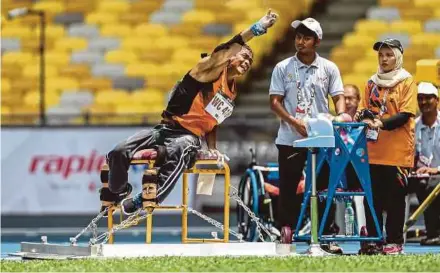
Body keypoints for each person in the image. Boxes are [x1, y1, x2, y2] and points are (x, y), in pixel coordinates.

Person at [100, 10, 279, 215]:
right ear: (230, 57)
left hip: (189, 137)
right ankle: (120, 190)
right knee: (119, 151)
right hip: (164, 129)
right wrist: (258, 27)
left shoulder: (231, 92)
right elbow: (227, 47)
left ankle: (148, 196)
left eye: (251, 61)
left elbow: (213, 121)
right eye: (245, 57)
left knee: (180, 148)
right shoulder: (206, 69)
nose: (247, 63)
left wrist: (212, 148)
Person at [269, 17, 346, 253]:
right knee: (289, 186)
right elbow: (274, 102)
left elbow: (338, 97)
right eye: (298, 37)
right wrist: (294, 122)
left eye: (306, 37)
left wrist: (341, 115)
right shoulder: (282, 67)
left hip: (321, 136)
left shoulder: (329, 68)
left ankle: (326, 234)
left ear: (317, 41)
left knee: (323, 188)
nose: (300, 41)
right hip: (290, 138)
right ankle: (286, 230)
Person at [355, 38, 418, 255]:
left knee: (394, 200)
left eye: (389, 55)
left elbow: (405, 115)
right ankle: (374, 240)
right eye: (381, 55)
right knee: (372, 198)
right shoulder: (371, 83)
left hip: (398, 153)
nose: (384, 59)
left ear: (398, 57)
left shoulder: (407, 81)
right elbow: (364, 109)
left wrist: (380, 122)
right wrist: (364, 117)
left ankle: (394, 241)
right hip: (373, 152)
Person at [413, 82, 440, 246]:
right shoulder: (413, 127)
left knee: (430, 184)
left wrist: (435, 169)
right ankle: (392, 235)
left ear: (437, 100)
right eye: (420, 99)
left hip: (437, 174)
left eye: (428, 98)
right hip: (421, 174)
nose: (424, 102)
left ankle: (433, 232)